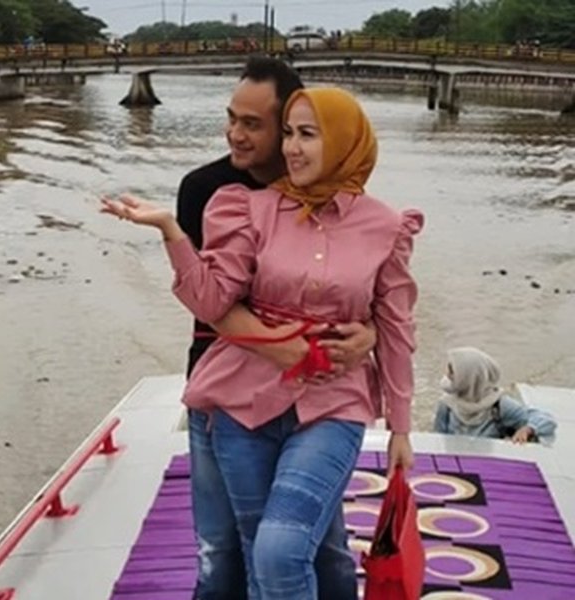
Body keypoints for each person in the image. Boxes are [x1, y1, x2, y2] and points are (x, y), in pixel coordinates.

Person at [102, 86, 420, 599]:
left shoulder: (385, 226)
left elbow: (398, 323)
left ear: (344, 141)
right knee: (255, 557)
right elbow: (212, 303)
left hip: (333, 403)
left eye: (308, 135)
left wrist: (401, 427)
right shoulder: (247, 208)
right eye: (290, 134)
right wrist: (169, 231)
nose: (293, 148)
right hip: (241, 403)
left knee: (281, 549)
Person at [175, 57, 376, 599]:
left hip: (312, 398)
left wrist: (371, 331)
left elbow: (362, 282)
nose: (235, 134)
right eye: (231, 119)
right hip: (226, 393)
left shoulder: (326, 181)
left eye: (253, 124)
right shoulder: (206, 189)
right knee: (221, 547)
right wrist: (281, 348)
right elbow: (215, 303)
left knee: (319, 543)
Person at [434, 347, 558, 446]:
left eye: (452, 372)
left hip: (489, 465)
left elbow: (546, 420)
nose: (448, 376)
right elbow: (438, 439)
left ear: (469, 378)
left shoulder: (499, 405)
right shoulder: (447, 404)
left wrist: (527, 429)